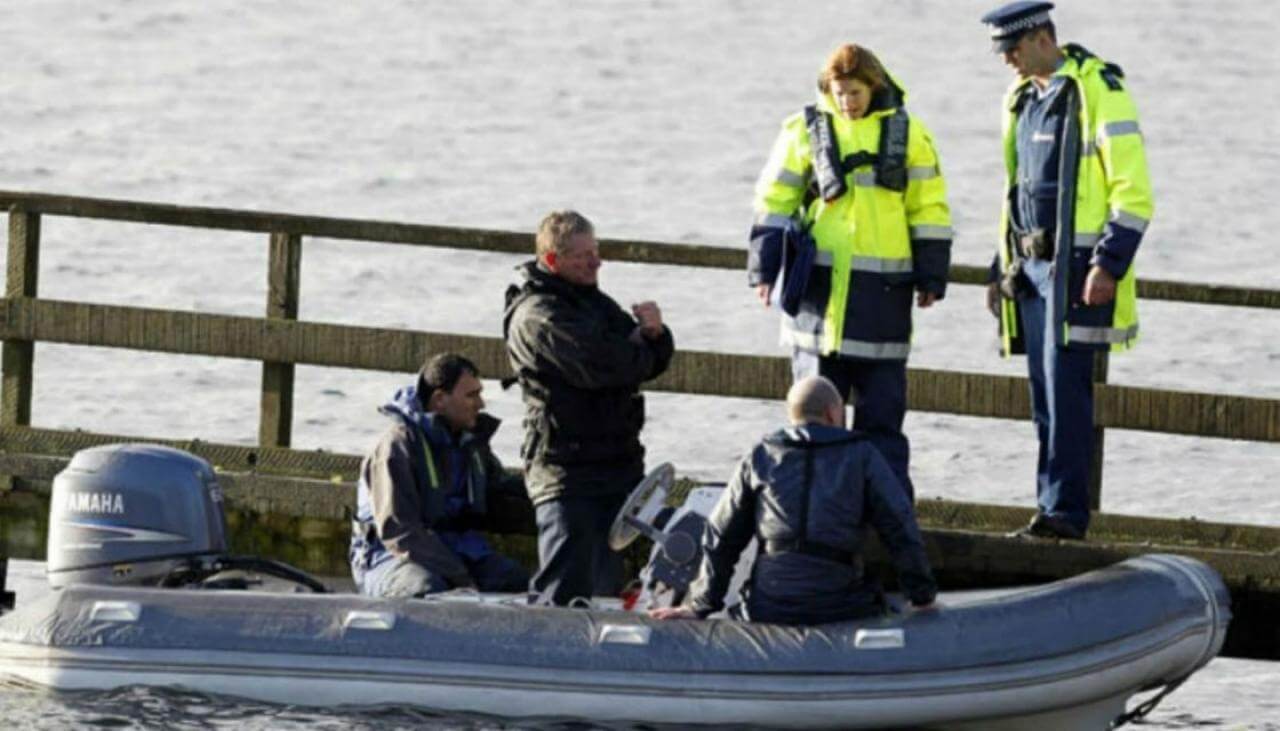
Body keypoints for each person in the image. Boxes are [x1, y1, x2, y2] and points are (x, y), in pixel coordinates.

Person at [748, 43, 953, 501]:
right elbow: (774, 200)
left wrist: (932, 276)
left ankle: (888, 514)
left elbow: (930, 209)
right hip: (818, 306)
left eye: (855, 92)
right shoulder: (804, 130)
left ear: (873, 86)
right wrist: (764, 269)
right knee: (811, 427)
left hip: (883, 299)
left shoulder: (910, 134)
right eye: (839, 93)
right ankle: (807, 514)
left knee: (883, 422)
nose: (847, 102)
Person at [980, 2, 1154, 540]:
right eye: (1002, 51)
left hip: (1075, 269)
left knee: (1067, 396)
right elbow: (1015, 191)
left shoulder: (1098, 88)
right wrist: (1000, 266)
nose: (1006, 59)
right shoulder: (1021, 98)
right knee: (1043, 398)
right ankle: (1049, 508)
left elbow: (1134, 190)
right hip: (1030, 268)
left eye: (1012, 48)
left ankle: (1064, 516)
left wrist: (1107, 263)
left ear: (1040, 38)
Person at [650, 376, 937, 625]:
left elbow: (721, 533)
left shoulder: (761, 456)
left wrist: (700, 604)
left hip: (770, 602)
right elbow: (899, 525)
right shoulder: (862, 455)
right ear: (833, 412)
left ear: (792, 416)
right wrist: (921, 595)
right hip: (839, 603)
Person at [503, 210, 675, 606]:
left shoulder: (593, 301)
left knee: (611, 585)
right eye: (583, 255)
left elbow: (649, 360)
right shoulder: (538, 316)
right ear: (551, 260)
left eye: (595, 251)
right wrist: (638, 344)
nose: (596, 262)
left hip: (615, 464)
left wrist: (655, 335)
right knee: (564, 587)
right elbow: (603, 364)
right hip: (566, 470)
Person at [349, 353, 530, 597]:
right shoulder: (396, 446)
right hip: (388, 557)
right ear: (440, 399)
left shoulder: (470, 442)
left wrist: (546, 485)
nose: (481, 404)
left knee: (514, 581)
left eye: (480, 393)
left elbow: (499, 485)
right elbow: (399, 533)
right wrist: (459, 578)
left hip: (457, 549)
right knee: (427, 587)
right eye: (471, 395)